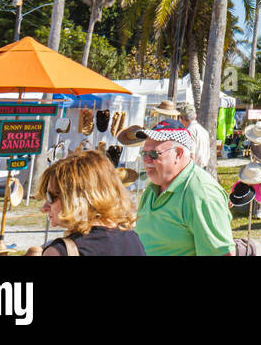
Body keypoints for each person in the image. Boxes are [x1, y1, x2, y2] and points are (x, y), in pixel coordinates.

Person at [133, 120, 233, 255]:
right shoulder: (154, 187)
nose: (146, 160)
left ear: (178, 154)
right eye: (144, 153)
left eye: (154, 154)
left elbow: (221, 253)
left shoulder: (200, 192)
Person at [38, 149, 146, 256]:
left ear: (75, 198)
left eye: (50, 196)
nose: (44, 207)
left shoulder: (60, 251)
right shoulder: (133, 241)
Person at [178, 103, 213, 170]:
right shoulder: (204, 131)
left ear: (181, 119)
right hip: (203, 167)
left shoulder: (189, 131)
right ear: (195, 116)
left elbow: (191, 155)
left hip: (195, 168)